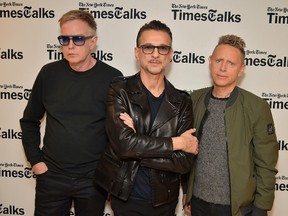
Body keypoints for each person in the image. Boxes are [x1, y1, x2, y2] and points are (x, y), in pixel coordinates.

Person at [19, 10, 122, 216]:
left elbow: (118, 133)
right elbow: (29, 120)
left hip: (93, 179)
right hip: (52, 177)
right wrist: (37, 163)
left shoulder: (113, 78)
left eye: (78, 39)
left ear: (93, 42)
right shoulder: (48, 74)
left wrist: (110, 175)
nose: (70, 45)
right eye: (65, 39)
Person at [94, 20, 198, 216]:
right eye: (148, 47)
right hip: (125, 196)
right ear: (137, 52)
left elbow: (184, 162)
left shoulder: (182, 101)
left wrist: (137, 146)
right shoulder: (120, 90)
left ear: (171, 55)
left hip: (164, 201)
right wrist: (177, 143)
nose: (156, 54)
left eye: (163, 48)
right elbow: (124, 146)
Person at [184, 34, 279, 216]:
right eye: (219, 60)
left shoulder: (256, 107)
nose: (222, 68)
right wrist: (188, 193)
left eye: (231, 63)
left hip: (237, 209)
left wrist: (261, 208)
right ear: (210, 61)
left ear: (241, 69)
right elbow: (188, 152)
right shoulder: (194, 99)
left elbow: (266, 163)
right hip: (199, 203)